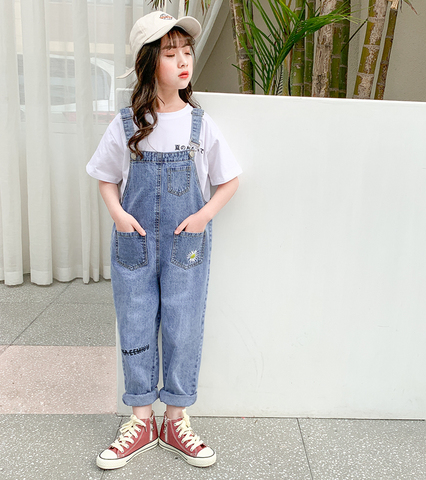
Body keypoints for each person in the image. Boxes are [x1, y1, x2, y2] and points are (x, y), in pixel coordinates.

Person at [86, 11, 241, 470]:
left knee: (182, 323)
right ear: (150, 62)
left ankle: (176, 420)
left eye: (187, 52)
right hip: (133, 241)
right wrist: (117, 215)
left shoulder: (200, 124)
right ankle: (139, 419)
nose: (183, 61)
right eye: (171, 53)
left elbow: (229, 180)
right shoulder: (127, 122)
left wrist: (203, 216)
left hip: (185, 243)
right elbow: (105, 178)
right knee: (135, 321)